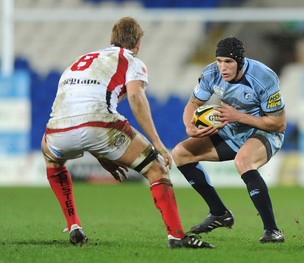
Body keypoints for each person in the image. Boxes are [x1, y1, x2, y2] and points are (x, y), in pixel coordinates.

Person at [41, 17, 213, 249]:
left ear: (112, 39)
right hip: (100, 124)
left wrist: (103, 155)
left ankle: (73, 225)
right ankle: (177, 236)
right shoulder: (131, 61)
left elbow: (77, 111)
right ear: (138, 43)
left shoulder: (80, 60)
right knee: (156, 169)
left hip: (58, 130)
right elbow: (135, 97)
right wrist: (157, 142)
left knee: (53, 160)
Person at [171, 37, 286, 243]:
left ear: (240, 61)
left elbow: (278, 124)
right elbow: (193, 103)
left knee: (243, 161)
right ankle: (219, 213)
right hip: (231, 131)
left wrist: (239, 116)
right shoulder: (211, 73)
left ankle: (272, 230)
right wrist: (189, 126)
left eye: (228, 62)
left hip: (264, 133)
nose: (222, 67)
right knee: (180, 154)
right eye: (219, 61)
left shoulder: (263, 77)